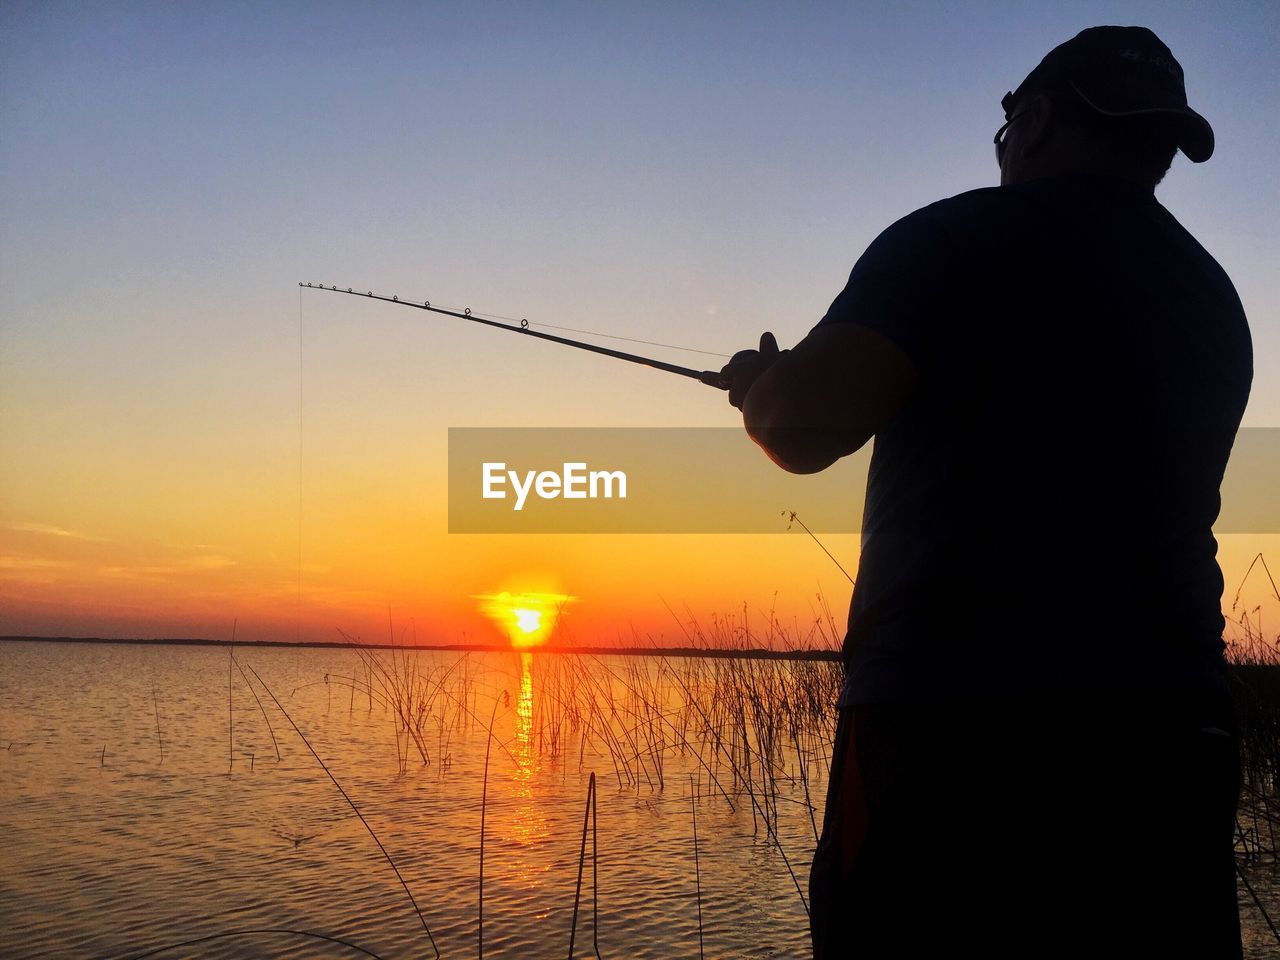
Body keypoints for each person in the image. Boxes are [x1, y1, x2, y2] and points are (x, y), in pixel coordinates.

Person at [719, 26, 1252, 959]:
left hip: (953, 732)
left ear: (1034, 120)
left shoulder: (952, 240)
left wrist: (763, 388)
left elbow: (803, 430)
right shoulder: (1215, 299)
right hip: (1174, 735)